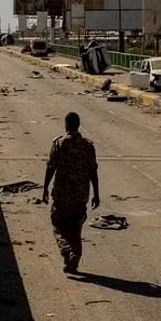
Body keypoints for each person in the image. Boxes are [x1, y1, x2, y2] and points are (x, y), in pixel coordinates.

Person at [41, 111, 100, 274]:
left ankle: (67, 251)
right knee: (76, 227)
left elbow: (50, 167)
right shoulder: (88, 145)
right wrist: (96, 194)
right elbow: (93, 171)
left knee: (58, 224)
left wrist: (45, 188)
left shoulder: (59, 143)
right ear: (78, 125)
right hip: (81, 195)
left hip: (62, 194)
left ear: (66, 125)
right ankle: (73, 258)